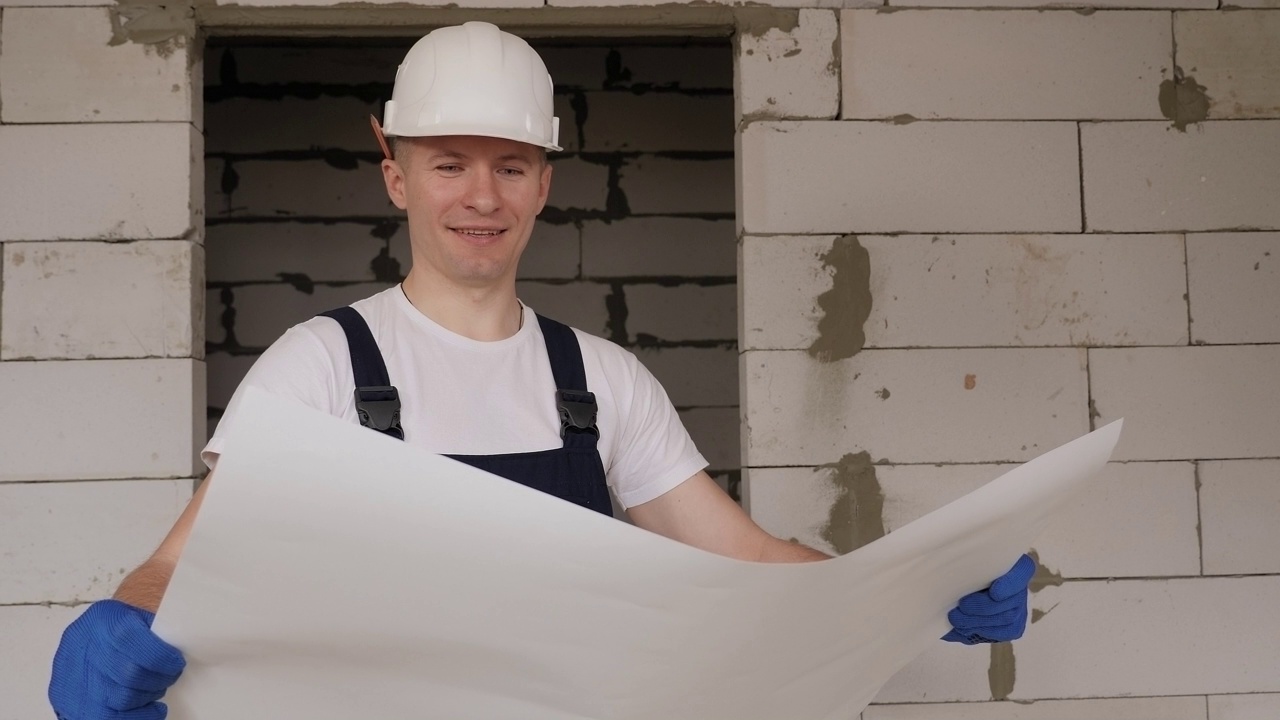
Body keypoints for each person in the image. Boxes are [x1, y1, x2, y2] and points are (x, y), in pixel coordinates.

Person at [47, 21, 1035, 720]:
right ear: (397, 175)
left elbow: (748, 560)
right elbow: (179, 565)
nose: (481, 196)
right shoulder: (323, 367)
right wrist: (121, 621)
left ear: (544, 182)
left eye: (510, 165)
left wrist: (910, 589)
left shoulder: (599, 382)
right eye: (449, 164)